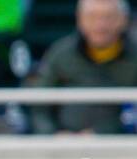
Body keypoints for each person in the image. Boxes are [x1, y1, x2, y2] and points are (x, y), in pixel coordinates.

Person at [31, 0, 137, 134]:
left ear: (123, 20)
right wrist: (53, 135)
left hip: (122, 146)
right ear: (80, 19)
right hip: (63, 145)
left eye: (108, 17)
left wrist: (101, 134)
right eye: (92, 17)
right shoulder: (61, 53)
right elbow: (39, 105)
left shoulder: (134, 56)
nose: (100, 25)